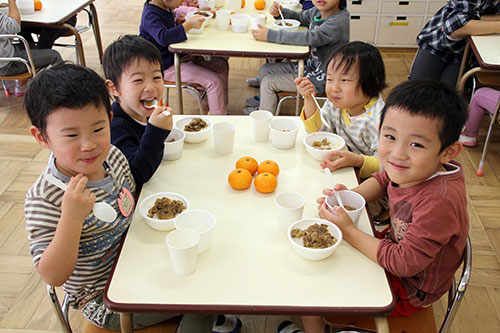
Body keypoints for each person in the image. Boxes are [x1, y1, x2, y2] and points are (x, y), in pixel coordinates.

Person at [23, 63, 216, 331]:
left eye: (98, 129)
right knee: (205, 301)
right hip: (105, 299)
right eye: (71, 135)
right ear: (42, 137)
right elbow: (52, 275)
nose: (88, 144)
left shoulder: (113, 157)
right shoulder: (46, 198)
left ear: (110, 121)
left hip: (136, 256)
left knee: (207, 260)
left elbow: (131, 201)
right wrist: (71, 218)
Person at [278, 80, 470, 332]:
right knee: (315, 258)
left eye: (416, 144)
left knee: (313, 286)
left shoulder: (439, 202)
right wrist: (350, 196)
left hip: (409, 288)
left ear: (448, 152)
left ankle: (319, 328)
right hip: (396, 249)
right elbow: (383, 179)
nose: (397, 154)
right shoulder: (414, 169)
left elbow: (403, 262)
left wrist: (348, 230)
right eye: (390, 137)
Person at [296, 41, 386, 179]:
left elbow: (386, 165)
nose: (334, 88)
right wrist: (308, 99)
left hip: (369, 182)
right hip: (341, 171)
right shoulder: (337, 103)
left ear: (373, 81)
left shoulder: (380, 120)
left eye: (345, 80)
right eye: (330, 79)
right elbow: (319, 134)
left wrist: (357, 161)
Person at [244, 0, 349, 114]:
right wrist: (281, 13)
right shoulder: (317, 12)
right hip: (310, 67)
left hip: (323, 79)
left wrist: (270, 35)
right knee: (265, 69)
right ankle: (266, 105)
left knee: (269, 82)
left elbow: (309, 37)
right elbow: (300, 17)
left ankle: (265, 119)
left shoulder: (338, 22)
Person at [103, 35, 174, 188]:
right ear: (113, 88)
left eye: (156, 77)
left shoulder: (142, 112)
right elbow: (138, 174)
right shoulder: (114, 125)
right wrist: (156, 131)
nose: (150, 87)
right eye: (138, 80)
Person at [139, 0, 229, 115]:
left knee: (221, 65)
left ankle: (218, 106)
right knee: (214, 82)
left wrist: (177, 24)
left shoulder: (164, 7)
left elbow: (165, 31)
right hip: (166, 66)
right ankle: (219, 119)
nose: (182, 3)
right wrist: (188, 25)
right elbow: (163, 37)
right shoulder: (150, 14)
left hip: (179, 57)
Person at [409, 0, 500, 89]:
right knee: (418, 90)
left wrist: (474, 21)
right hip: (439, 43)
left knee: (448, 95)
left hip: (467, 53)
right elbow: (456, 28)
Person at [0, 0, 62, 96]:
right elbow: (15, 26)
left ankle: (21, 85)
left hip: (4, 57)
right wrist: (12, 1)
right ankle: (65, 91)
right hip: (8, 63)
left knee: (31, 47)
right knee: (54, 55)